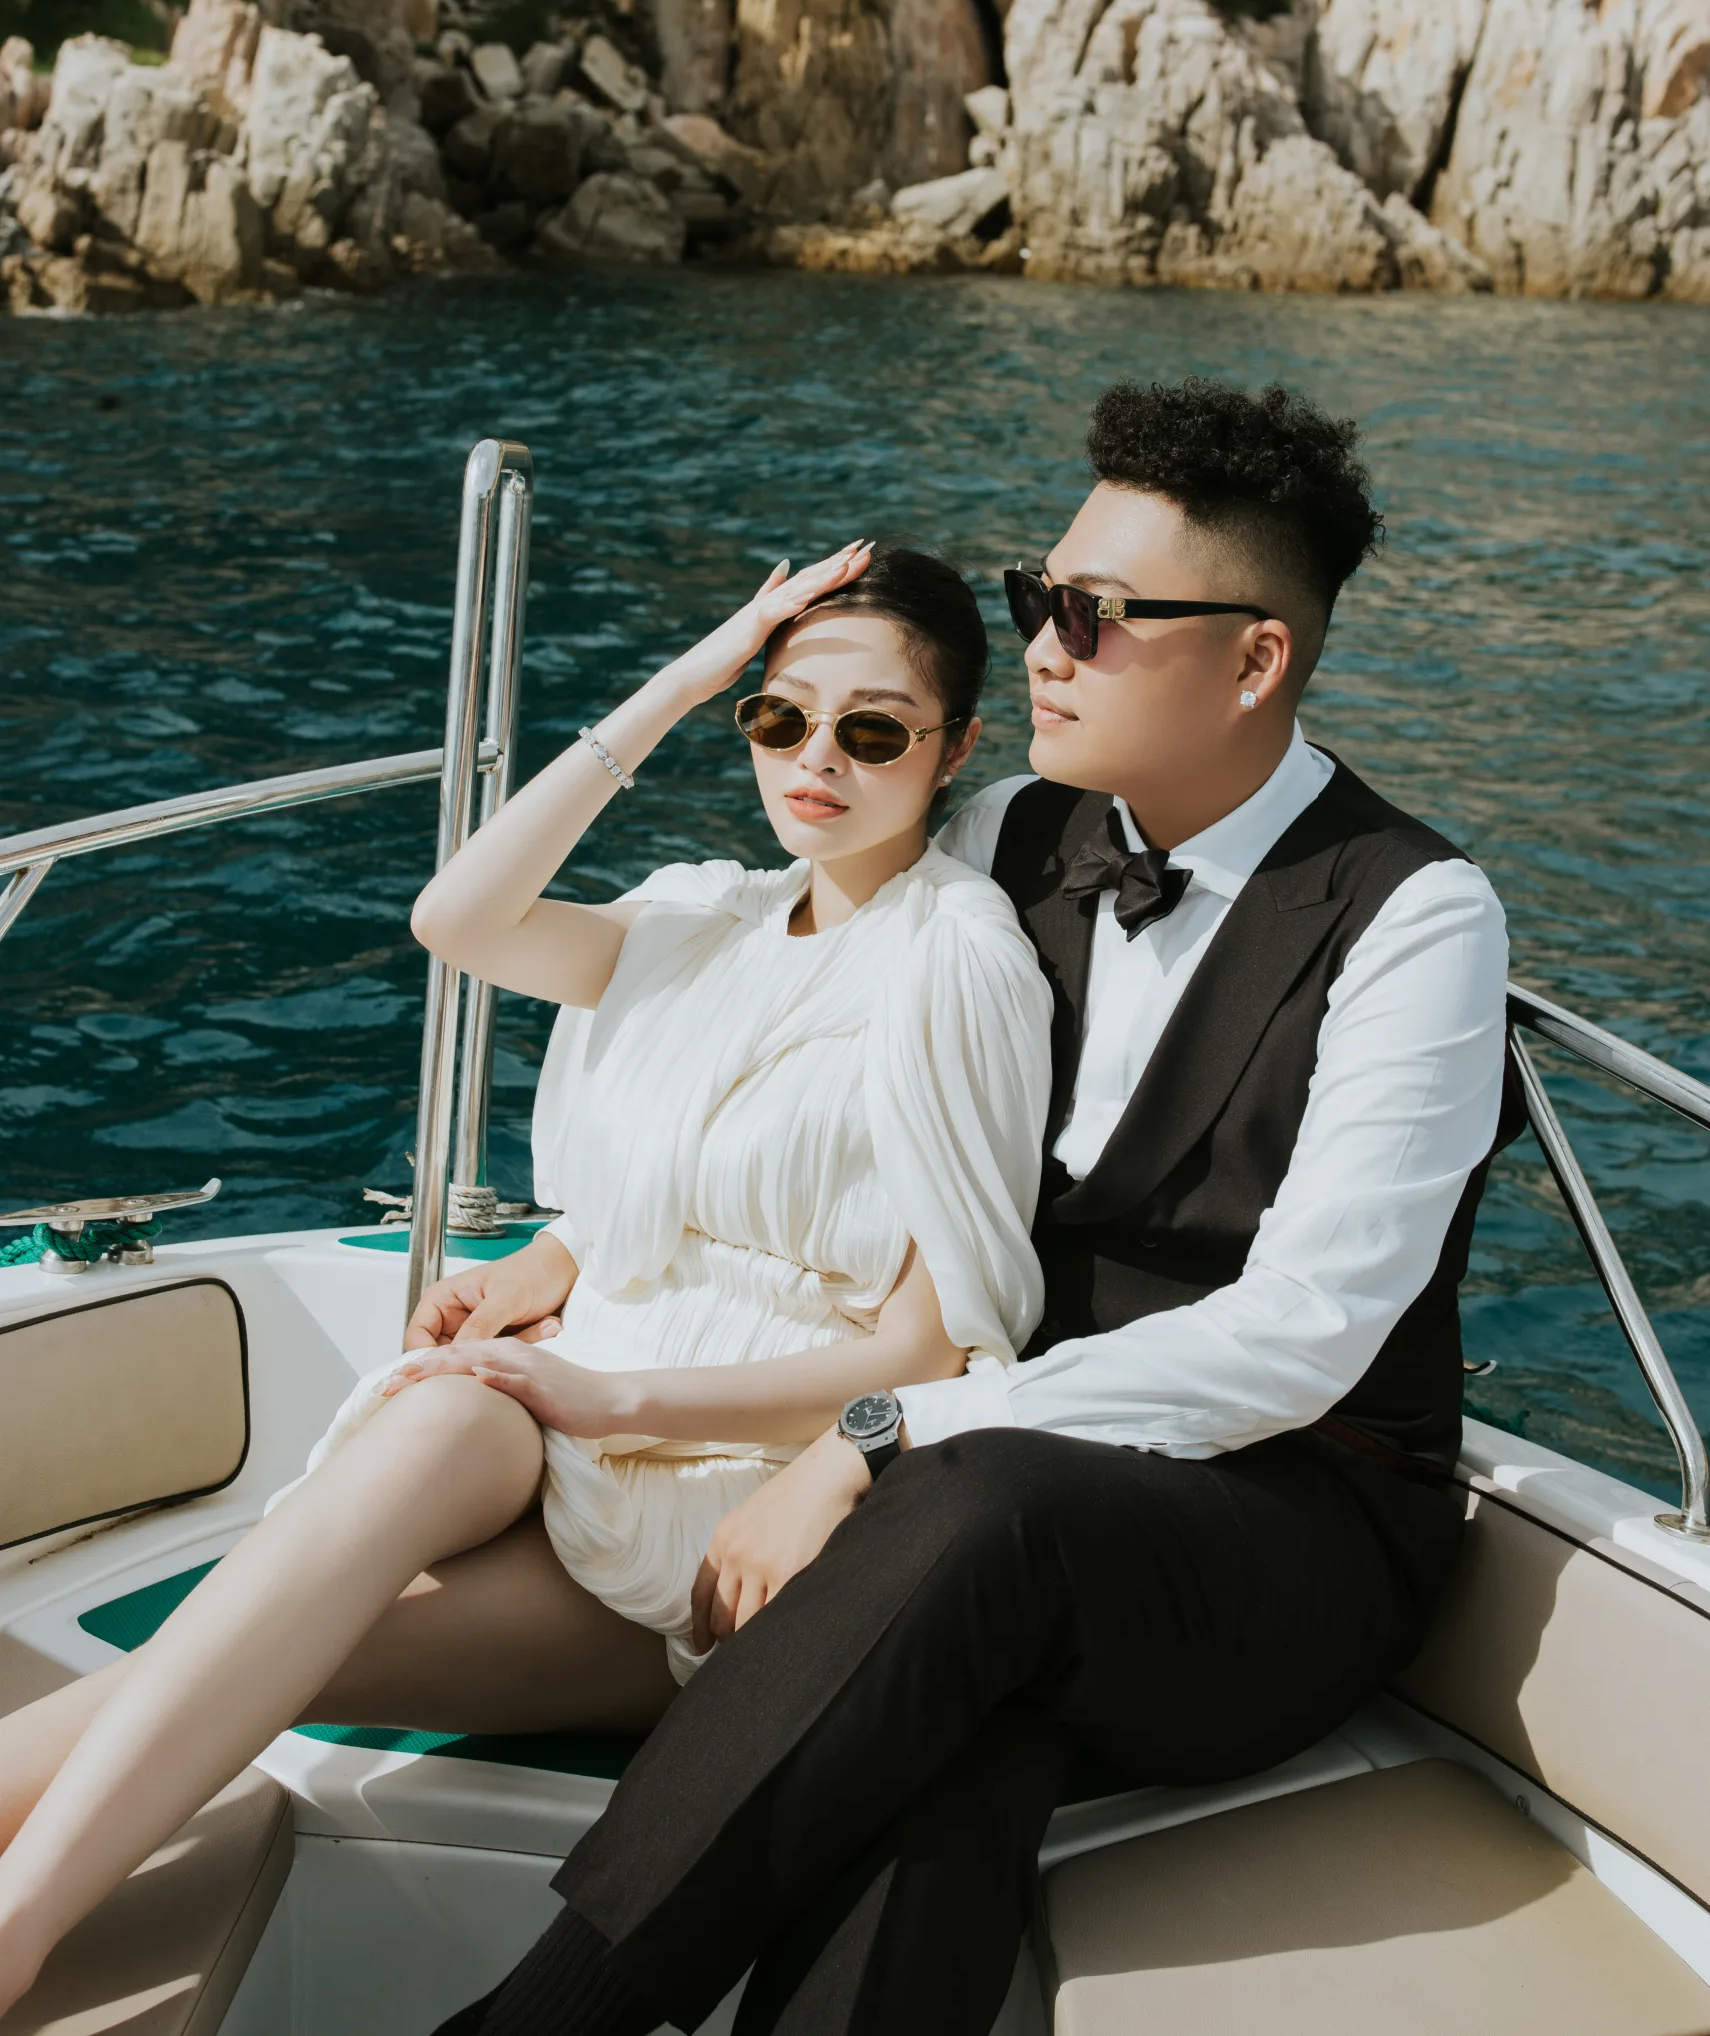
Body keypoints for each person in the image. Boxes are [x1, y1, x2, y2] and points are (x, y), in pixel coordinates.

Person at [424, 376, 1514, 2036]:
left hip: (1285, 1528)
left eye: (1092, 615)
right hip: (1002, 1501)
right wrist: (572, 1244)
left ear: (1253, 661)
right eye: (1033, 599)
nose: (1042, 650)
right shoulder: (1009, 834)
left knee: (973, 1519)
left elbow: (1303, 1338)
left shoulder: (1414, 914)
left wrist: (876, 1436)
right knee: (947, 1750)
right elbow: (782, 1044)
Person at [0, 541, 1053, 2017]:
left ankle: (18, 1923)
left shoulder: (960, 964)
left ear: (954, 746)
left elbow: (929, 1356)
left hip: (729, 1495)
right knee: (422, 1430)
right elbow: (459, 917)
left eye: (873, 730)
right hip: (563, 1398)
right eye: (778, 717)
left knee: (272, 1637)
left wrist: (610, 1392)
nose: (816, 758)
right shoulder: (702, 915)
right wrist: (688, 675)